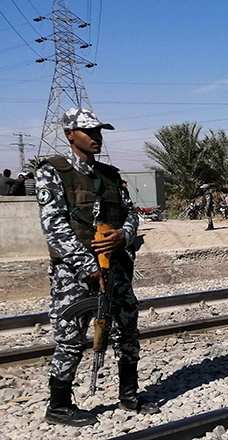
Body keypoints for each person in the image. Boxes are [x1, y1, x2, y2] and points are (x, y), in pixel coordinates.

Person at [36, 108, 158, 427]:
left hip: (115, 267)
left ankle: (129, 395)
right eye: (89, 132)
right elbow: (54, 227)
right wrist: (87, 265)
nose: (96, 137)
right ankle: (59, 406)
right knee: (70, 338)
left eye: (99, 131)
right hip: (74, 273)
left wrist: (123, 236)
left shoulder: (110, 174)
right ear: (70, 135)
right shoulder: (52, 172)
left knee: (127, 331)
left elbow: (131, 214)